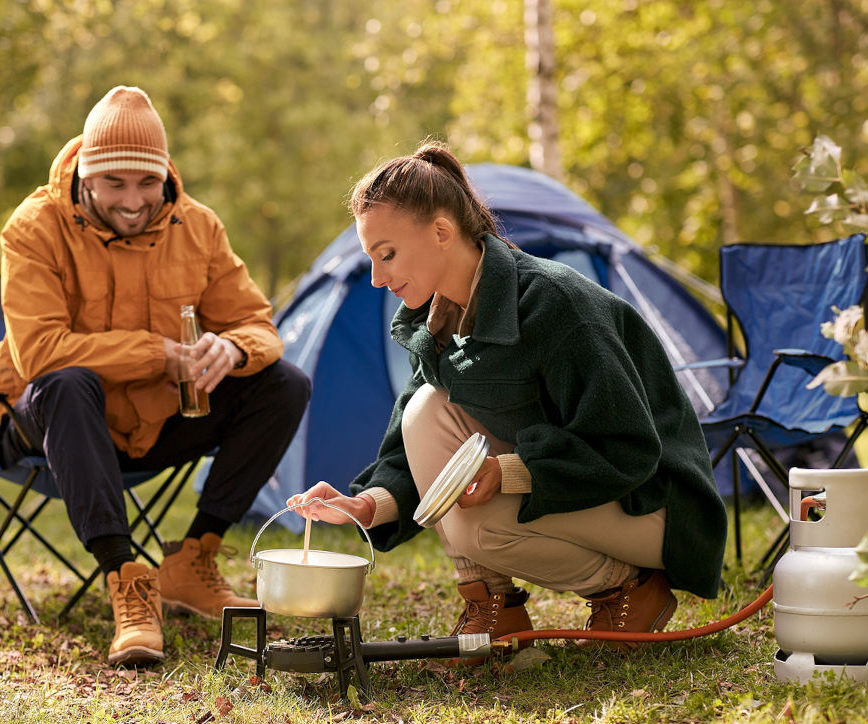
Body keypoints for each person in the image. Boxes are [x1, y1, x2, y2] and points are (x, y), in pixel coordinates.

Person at [289, 141, 726, 656]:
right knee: (426, 407)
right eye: (370, 259)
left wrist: (509, 472)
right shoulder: (436, 324)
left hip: (655, 502)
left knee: (478, 525)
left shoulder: (555, 303)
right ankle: (495, 607)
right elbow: (411, 455)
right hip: (591, 492)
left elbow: (626, 448)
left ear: (442, 232)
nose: (377, 278)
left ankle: (629, 588)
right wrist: (367, 505)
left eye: (387, 255)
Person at [0, 86, 310, 667]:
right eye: (115, 184)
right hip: (58, 423)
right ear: (85, 173)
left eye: (147, 182)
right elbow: (39, 353)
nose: (134, 201)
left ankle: (193, 558)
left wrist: (232, 350)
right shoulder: (33, 227)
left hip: (158, 422)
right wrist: (159, 354)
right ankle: (125, 580)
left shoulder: (200, 227)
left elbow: (258, 325)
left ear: (165, 174)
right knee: (67, 382)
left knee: (284, 383)